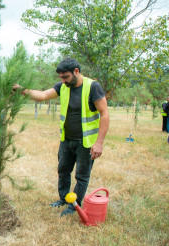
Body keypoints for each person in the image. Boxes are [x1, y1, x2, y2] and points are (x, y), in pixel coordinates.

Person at [14, 58, 109, 216]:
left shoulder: (93, 87)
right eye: (61, 78)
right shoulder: (63, 86)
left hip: (86, 142)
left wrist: (99, 143)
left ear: (76, 72)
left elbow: (104, 113)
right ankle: (64, 198)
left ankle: (74, 205)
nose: (63, 81)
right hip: (67, 139)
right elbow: (42, 95)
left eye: (66, 77)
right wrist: (21, 90)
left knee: (81, 175)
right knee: (63, 170)